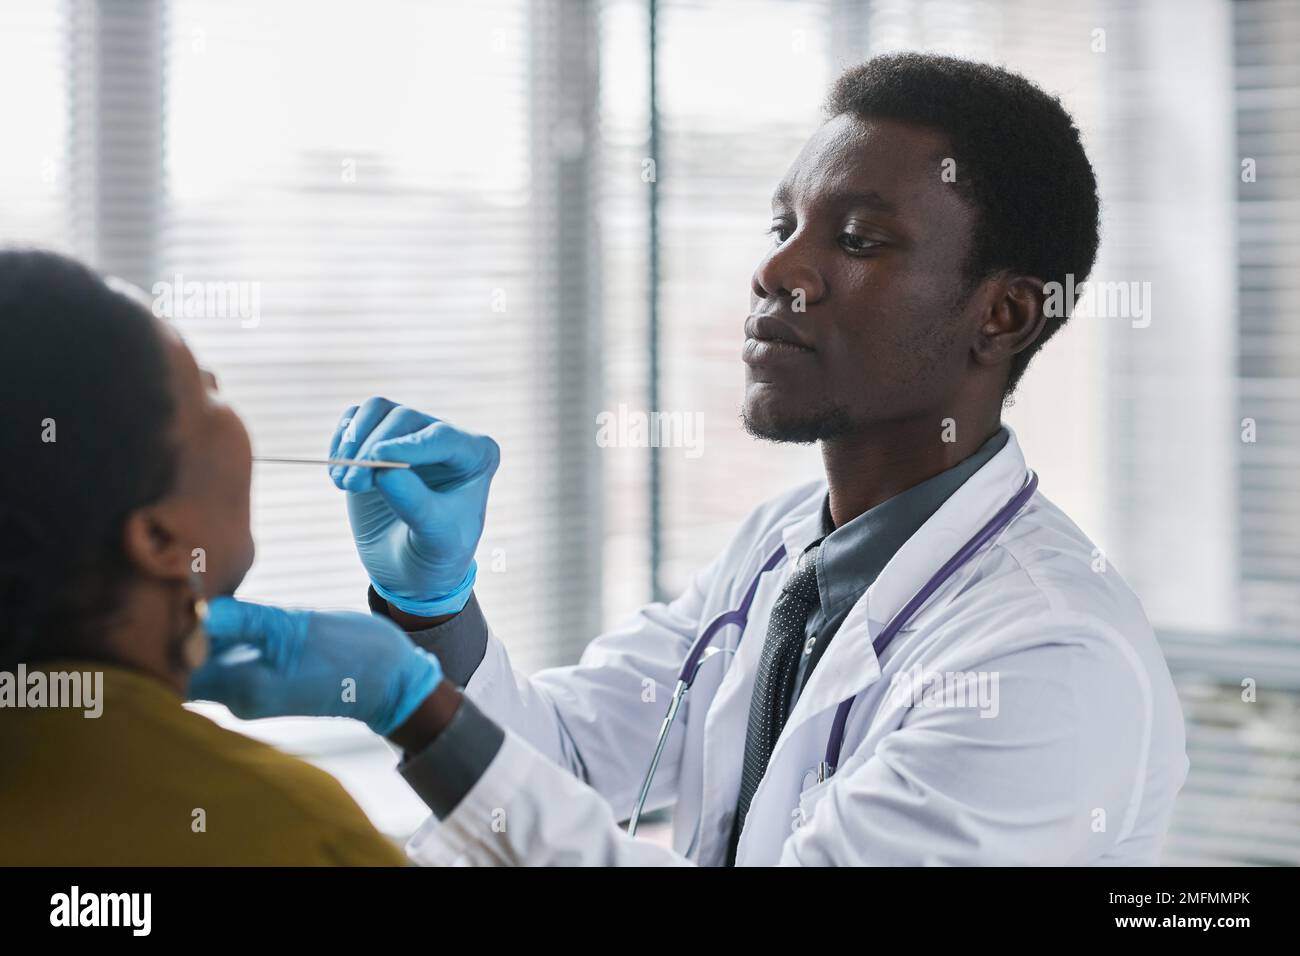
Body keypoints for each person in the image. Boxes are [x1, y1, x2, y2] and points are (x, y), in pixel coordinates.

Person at [199, 53, 1189, 866]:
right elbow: (573, 757)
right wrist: (431, 610)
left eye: (856, 239)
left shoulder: (1045, 661)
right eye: (780, 224)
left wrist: (413, 709)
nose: (775, 270)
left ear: (1002, 313)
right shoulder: (782, 550)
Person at [0, 249, 412, 865]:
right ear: (160, 541)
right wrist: (429, 715)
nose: (223, 391)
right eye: (205, 391)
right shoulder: (289, 833)